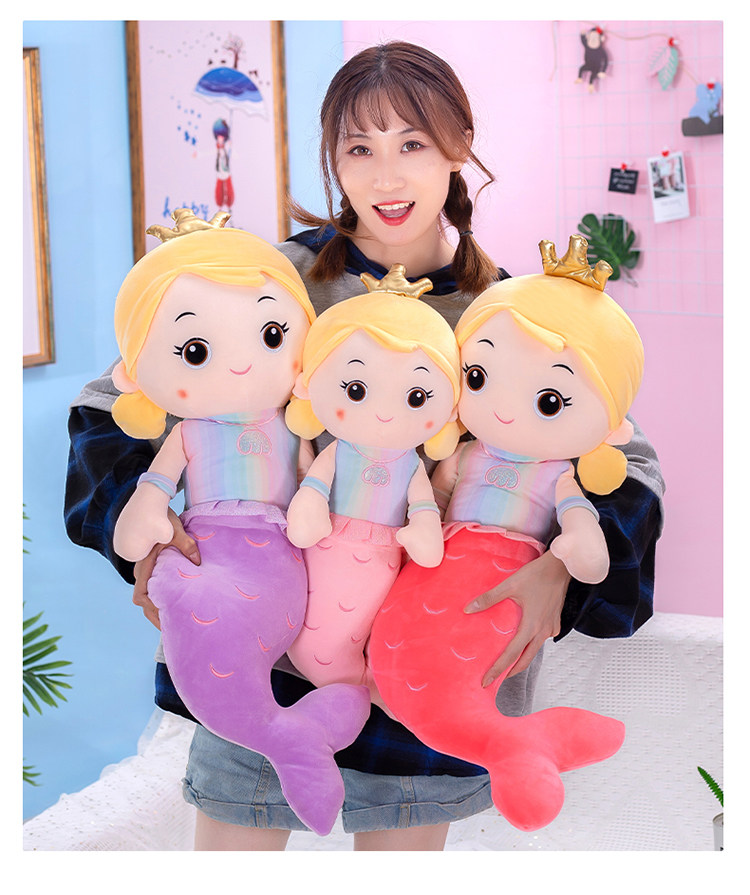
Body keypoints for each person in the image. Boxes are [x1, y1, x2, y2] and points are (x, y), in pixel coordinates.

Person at [64, 41, 664, 851]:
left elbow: (625, 457)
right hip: (263, 658)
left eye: (412, 143)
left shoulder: (511, 313)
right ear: (333, 160)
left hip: (425, 676)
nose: (386, 178)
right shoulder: (270, 281)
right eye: (359, 149)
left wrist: (563, 569)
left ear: (458, 147)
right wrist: (142, 532)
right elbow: (113, 399)